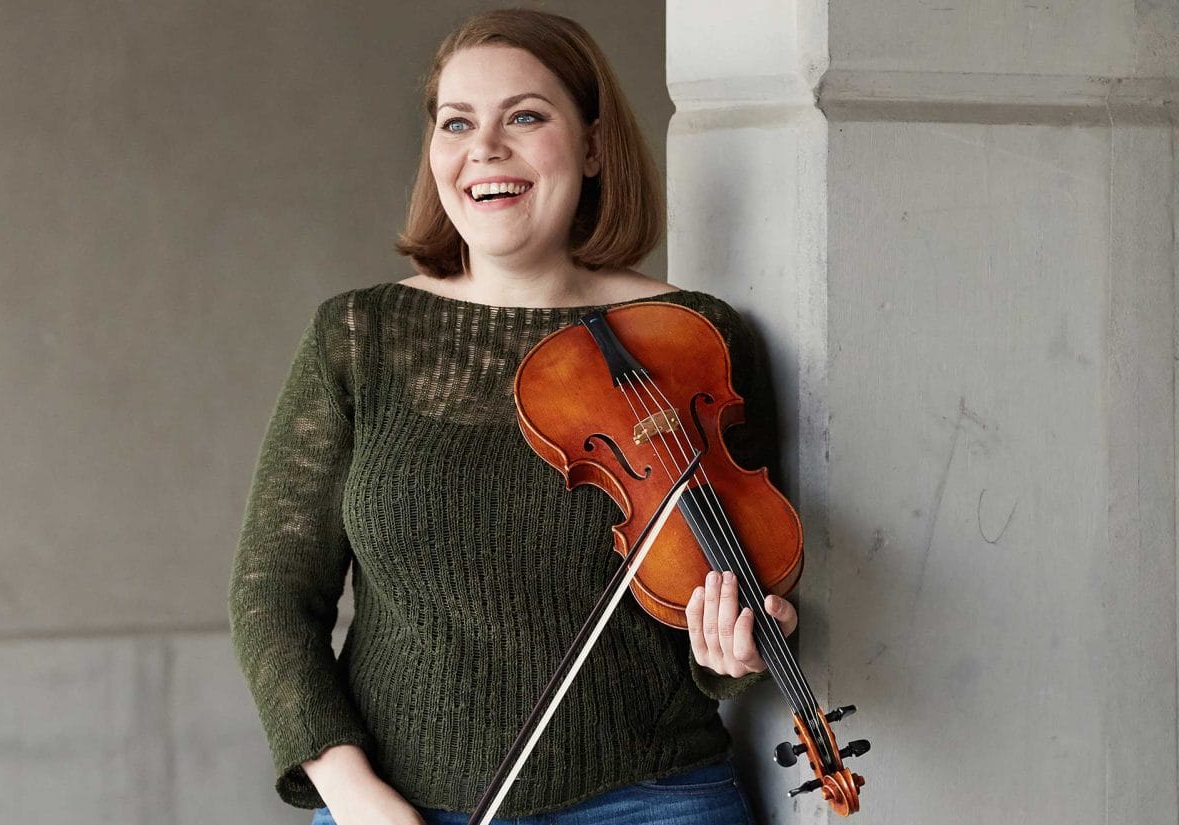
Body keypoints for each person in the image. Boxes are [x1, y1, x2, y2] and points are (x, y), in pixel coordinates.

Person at [228, 9, 798, 825]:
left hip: (649, 799)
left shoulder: (693, 339)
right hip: (393, 806)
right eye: (457, 122)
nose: (485, 148)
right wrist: (354, 795)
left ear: (593, 146)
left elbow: (723, 600)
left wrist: (735, 650)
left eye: (525, 117)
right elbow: (272, 594)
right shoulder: (359, 335)